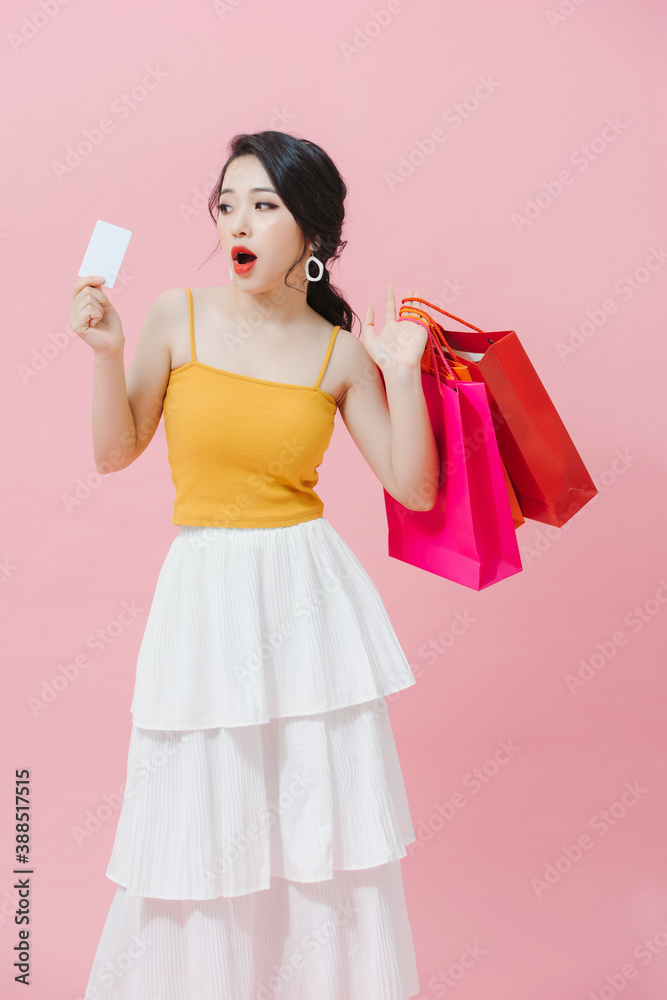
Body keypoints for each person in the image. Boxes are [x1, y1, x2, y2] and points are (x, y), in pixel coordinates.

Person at [71, 129, 439, 999]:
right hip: (204, 596)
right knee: (202, 814)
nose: (238, 220)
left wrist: (404, 375)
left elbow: (413, 490)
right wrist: (106, 354)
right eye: (229, 204)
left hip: (306, 601)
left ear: (309, 236)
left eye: (264, 205)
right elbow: (114, 452)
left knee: (319, 817)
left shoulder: (337, 352)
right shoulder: (175, 317)